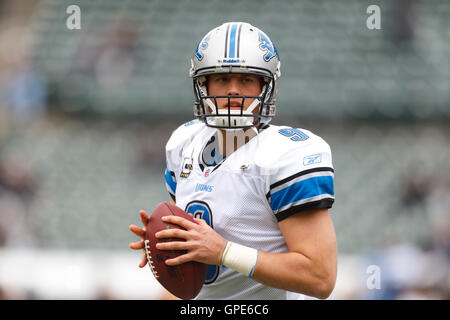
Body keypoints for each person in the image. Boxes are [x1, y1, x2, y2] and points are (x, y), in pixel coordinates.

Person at [130, 22, 337, 300]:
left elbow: (320, 277)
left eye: (246, 80)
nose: (233, 90)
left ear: (266, 86)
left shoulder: (286, 155)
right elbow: (206, 275)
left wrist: (224, 252)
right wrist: (169, 245)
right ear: (203, 85)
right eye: (222, 79)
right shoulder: (184, 144)